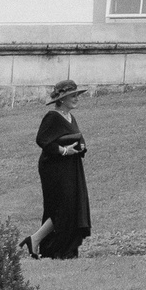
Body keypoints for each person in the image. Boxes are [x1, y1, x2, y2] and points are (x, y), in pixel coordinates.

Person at [22, 79, 91, 260]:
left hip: (71, 166)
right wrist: (63, 150)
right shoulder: (52, 117)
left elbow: (72, 139)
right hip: (54, 168)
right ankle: (39, 240)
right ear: (61, 99)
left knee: (71, 206)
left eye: (76, 95)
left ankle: (46, 243)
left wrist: (79, 148)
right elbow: (42, 140)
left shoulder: (71, 117)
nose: (76, 98)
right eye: (72, 96)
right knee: (62, 207)